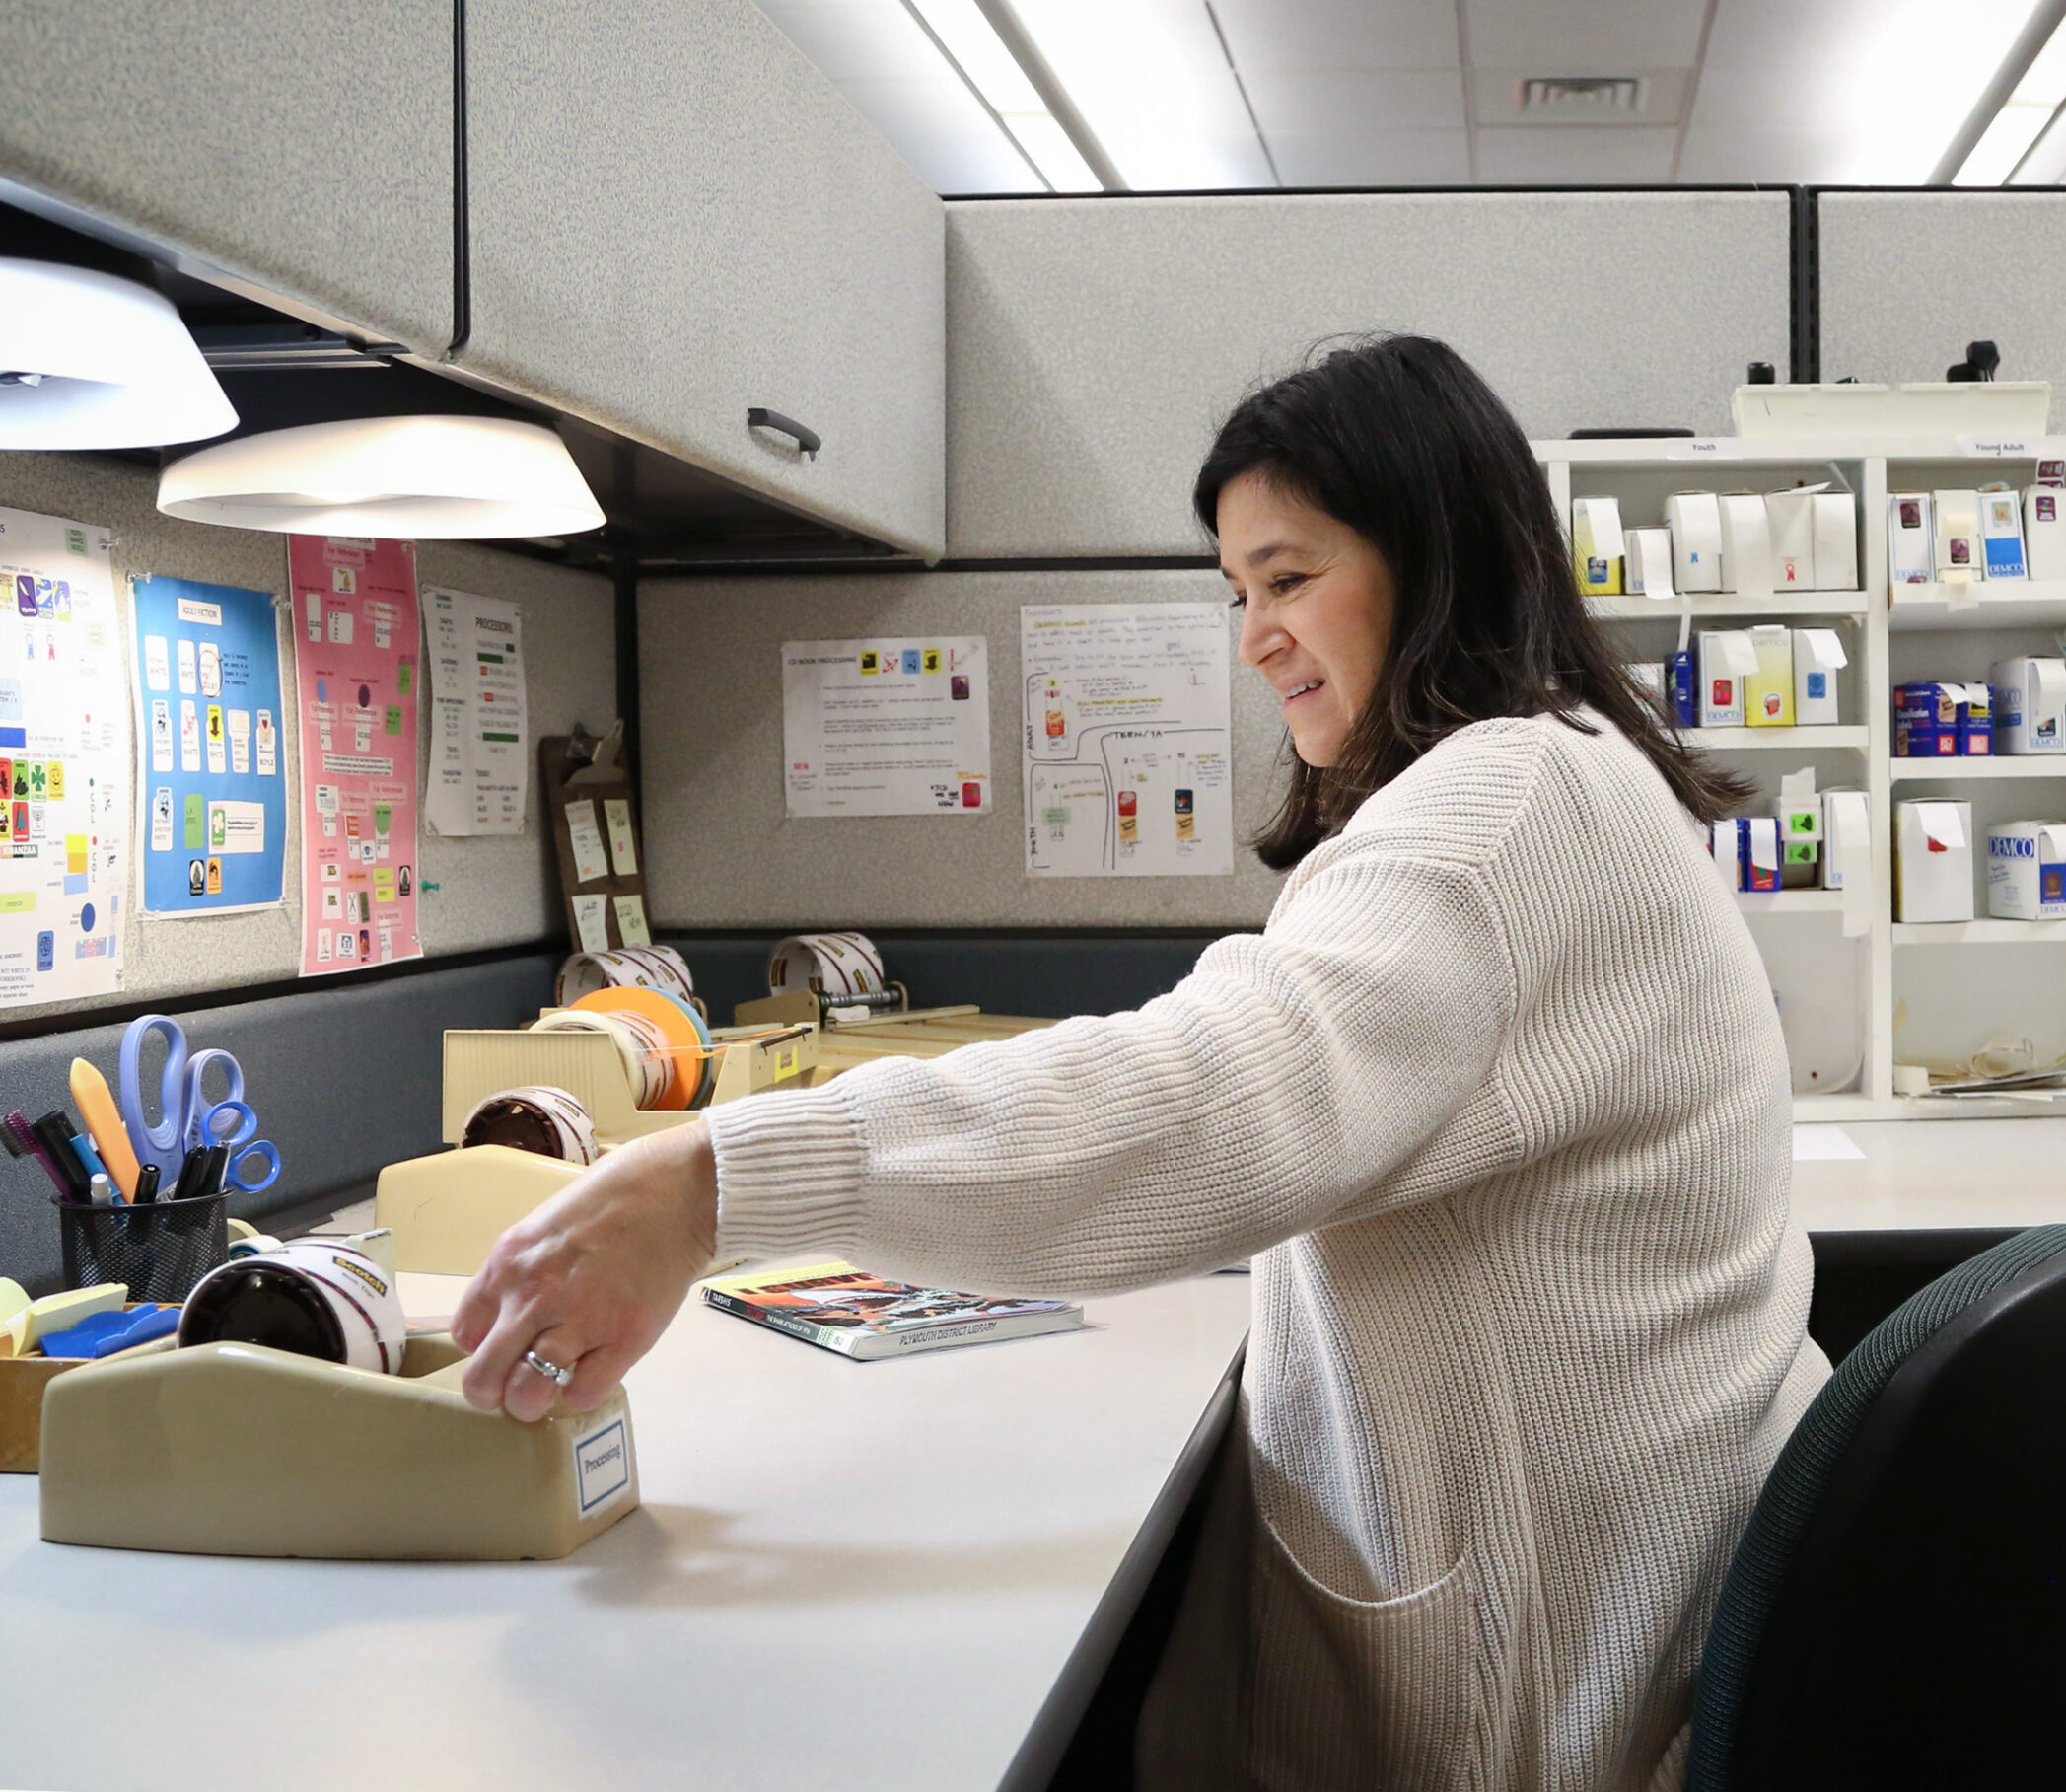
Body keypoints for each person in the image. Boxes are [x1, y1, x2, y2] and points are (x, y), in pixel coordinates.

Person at [452, 333, 1829, 1789]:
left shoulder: (1504, 804)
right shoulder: (1566, 771)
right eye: (1239, 591)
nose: (1252, 636)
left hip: (1532, 1702)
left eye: (1291, 578)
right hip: (1595, 1615)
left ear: (1439, 559)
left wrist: (713, 1183)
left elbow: (1212, 1102)